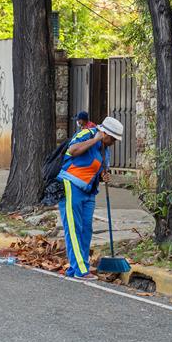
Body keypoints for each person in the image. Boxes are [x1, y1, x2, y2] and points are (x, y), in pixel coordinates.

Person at [56, 116, 123, 280]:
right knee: (74, 228)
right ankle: (80, 269)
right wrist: (95, 140)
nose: (113, 142)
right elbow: (73, 151)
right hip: (71, 185)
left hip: (89, 191)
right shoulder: (87, 134)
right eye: (112, 139)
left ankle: (78, 266)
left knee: (86, 229)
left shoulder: (105, 149)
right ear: (104, 133)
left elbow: (96, 170)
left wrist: (103, 176)